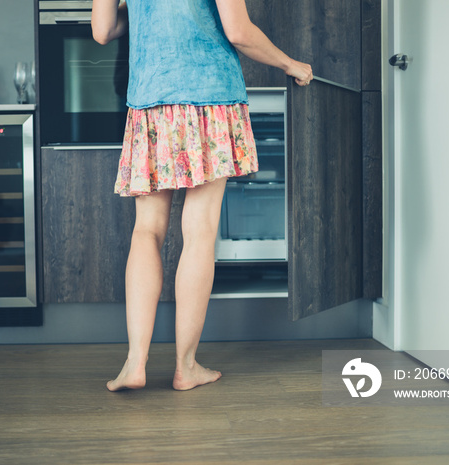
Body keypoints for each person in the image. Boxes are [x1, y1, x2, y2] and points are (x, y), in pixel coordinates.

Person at [92, 0, 313, 392]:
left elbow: (103, 30)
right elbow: (238, 31)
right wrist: (290, 65)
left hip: (150, 99)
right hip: (210, 97)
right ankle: (185, 366)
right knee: (199, 232)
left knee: (146, 231)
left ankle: (134, 363)